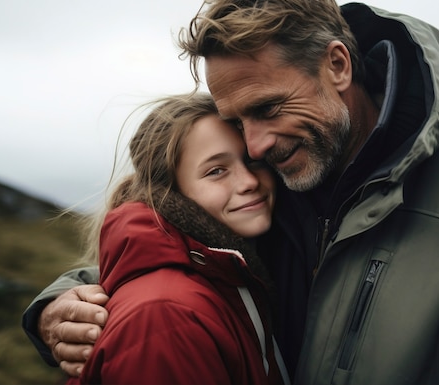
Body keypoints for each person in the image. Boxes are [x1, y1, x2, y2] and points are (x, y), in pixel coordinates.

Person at [24, 0, 439, 383]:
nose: (255, 145)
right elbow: (174, 252)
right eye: (235, 122)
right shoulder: (273, 181)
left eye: (269, 109)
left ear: (338, 64)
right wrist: (60, 302)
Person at [61, 92, 289, 384]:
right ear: (170, 192)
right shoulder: (165, 315)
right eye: (216, 171)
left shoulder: (233, 272)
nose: (249, 182)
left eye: (252, 161)